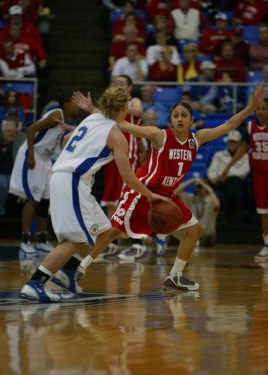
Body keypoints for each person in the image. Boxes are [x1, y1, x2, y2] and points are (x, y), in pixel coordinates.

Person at [74, 83, 265, 292]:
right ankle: (80, 267)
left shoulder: (197, 139)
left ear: (192, 121)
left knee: (195, 231)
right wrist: (93, 110)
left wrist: (249, 108)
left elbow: (228, 125)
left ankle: (175, 276)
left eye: (184, 115)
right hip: (142, 192)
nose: (180, 118)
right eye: (176, 115)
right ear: (171, 120)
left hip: (167, 196)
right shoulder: (159, 135)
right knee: (114, 233)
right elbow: (122, 125)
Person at [20, 86, 167, 302]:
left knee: (104, 231)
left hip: (69, 178)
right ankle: (35, 284)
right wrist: (151, 196)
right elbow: (128, 179)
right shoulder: (117, 136)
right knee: (72, 240)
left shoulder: (93, 117)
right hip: (72, 180)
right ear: (123, 107)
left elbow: (70, 136)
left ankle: (69, 273)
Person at [9, 95, 81, 257]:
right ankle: (25, 241)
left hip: (47, 159)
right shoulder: (57, 115)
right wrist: (31, 156)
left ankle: (42, 239)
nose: (79, 107)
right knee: (33, 199)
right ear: (67, 104)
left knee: (46, 200)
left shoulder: (70, 121)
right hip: (33, 154)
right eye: (75, 104)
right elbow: (31, 129)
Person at [100, 74, 145, 259]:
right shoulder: (110, 107)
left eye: (122, 84)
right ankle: (113, 243)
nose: (118, 86)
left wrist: (118, 103)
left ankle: (138, 242)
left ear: (130, 87)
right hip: (111, 156)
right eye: (115, 84)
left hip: (129, 155)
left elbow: (139, 112)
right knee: (111, 199)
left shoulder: (133, 101)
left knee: (131, 197)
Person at [222, 97, 268, 262]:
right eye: (258, 109)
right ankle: (266, 244)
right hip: (258, 174)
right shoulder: (250, 127)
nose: (260, 111)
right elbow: (243, 147)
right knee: (263, 211)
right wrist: (229, 165)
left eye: (264, 108)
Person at [208, 130, 250, 223]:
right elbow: (211, 171)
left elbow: (244, 172)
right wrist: (216, 177)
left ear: (239, 143)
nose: (232, 143)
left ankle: (226, 214)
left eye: (234, 141)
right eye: (230, 141)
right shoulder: (218, 155)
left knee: (233, 181)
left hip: (237, 183)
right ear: (227, 142)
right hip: (221, 183)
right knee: (231, 183)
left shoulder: (245, 156)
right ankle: (236, 211)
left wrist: (227, 175)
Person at [176, 177, 220, 247]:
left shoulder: (210, 200)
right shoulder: (191, 198)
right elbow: (175, 192)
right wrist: (192, 180)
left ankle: (195, 242)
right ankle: (195, 242)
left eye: (201, 186)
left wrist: (208, 188)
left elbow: (217, 205)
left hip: (206, 235)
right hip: (193, 233)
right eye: (198, 186)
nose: (199, 188)